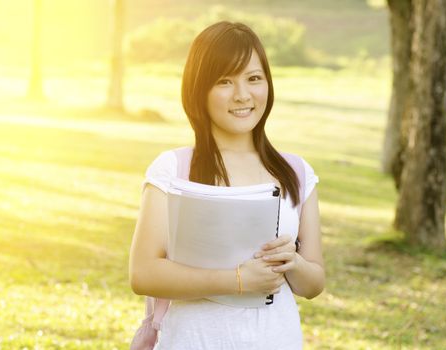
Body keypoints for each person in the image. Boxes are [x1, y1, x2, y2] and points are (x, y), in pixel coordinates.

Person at [129, 21, 324, 350]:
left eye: (253, 78)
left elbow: (314, 283)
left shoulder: (296, 173)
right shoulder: (174, 170)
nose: (242, 95)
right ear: (199, 90)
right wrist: (238, 281)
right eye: (224, 81)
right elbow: (143, 274)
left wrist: (294, 262)